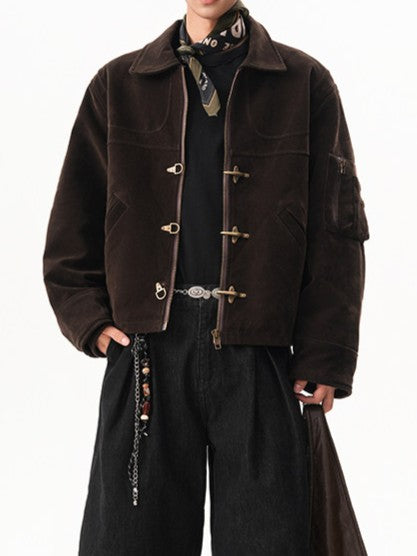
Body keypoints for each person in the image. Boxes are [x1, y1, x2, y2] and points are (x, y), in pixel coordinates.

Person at [42, 0, 370, 554]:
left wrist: (326, 355)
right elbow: (71, 225)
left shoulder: (304, 83)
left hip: (260, 351)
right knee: (130, 540)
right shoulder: (118, 85)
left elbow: (337, 231)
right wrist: (92, 324)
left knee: (269, 540)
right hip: (146, 353)